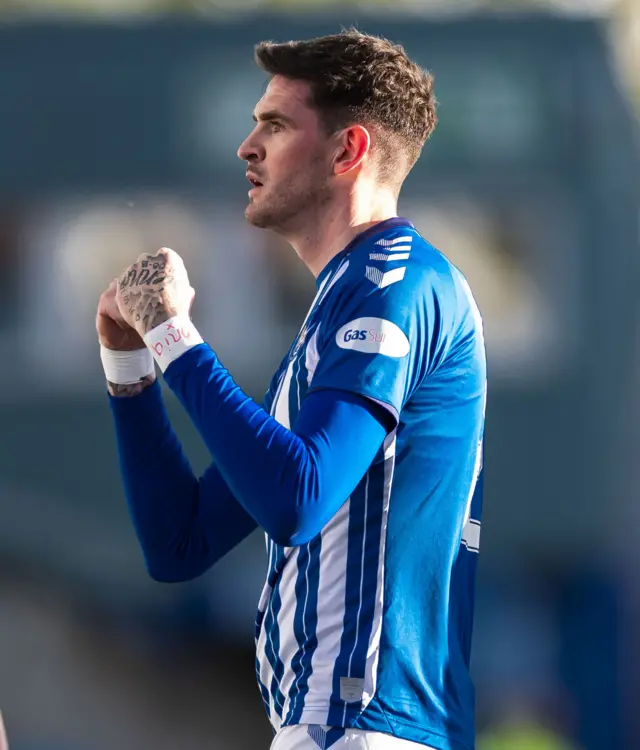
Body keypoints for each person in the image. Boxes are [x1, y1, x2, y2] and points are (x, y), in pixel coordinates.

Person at [96, 31, 486, 750]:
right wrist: (132, 361)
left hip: (363, 726)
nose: (247, 147)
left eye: (274, 125)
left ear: (347, 152)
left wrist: (175, 333)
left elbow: (295, 498)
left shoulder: (393, 281)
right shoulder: (342, 301)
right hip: (340, 725)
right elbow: (179, 542)